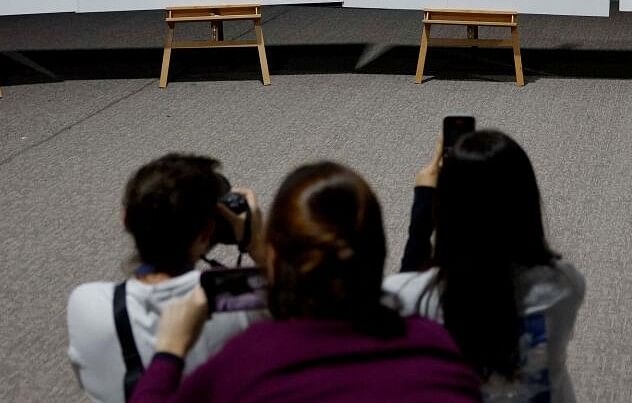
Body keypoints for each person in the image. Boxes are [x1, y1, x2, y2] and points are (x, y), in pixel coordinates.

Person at [129, 161, 483, 403]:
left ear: (278, 257)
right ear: (377, 253)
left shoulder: (244, 361)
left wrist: (169, 352)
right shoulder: (438, 349)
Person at [385, 131, 586, 402]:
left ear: (446, 210)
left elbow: (401, 312)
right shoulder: (564, 284)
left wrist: (422, 205)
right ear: (526, 204)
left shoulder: (409, 297)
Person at [67, 154, 265, 403]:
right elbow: (316, 308)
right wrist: (258, 245)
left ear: (126, 219)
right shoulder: (242, 306)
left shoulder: (85, 304)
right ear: (205, 233)